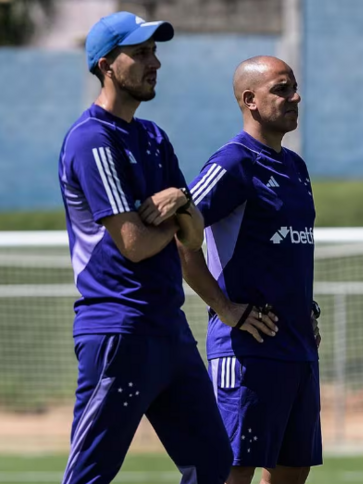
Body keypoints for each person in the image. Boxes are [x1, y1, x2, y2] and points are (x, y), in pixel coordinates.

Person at [57, 11, 232, 484]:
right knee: (88, 476)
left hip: (169, 330)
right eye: (140, 53)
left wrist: (181, 209)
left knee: (213, 464)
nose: (154, 62)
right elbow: (133, 243)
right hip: (120, 330)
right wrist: (180, 216)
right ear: (106, 64)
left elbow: (193, 237)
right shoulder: (91, 140)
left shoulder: (154, 138)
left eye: (154, 51)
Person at [179, 56, 321, 484]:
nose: (295, 97)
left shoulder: (296, 168)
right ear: (250, 100)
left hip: (297, 348)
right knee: (231, 471)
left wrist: (305, 308)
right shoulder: (231, 163)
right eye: (282, 89)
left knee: (292, 471)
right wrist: (225, 308)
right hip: (247, 350)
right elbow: (178, 235)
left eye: (294, 87)